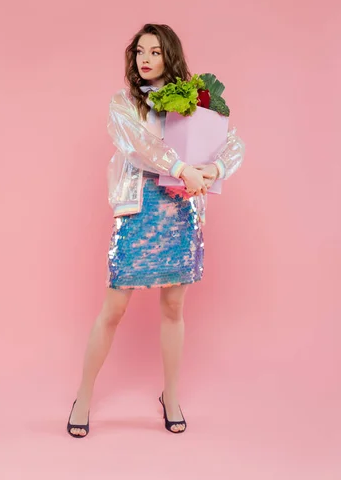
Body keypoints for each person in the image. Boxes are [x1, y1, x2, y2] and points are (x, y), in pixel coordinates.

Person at [67, 23, 245, 438]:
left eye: (155, 52)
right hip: (139, 209)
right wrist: (181, 167)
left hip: (182, 210)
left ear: (170, 56)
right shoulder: (124, 104)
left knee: (173, 309)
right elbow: (137, 145)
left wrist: (213, 169)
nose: (145, 59)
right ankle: (84, 395)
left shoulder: (197, 102)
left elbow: (231, 143)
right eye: (140, 52)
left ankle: (171, 395)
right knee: (114, 309)